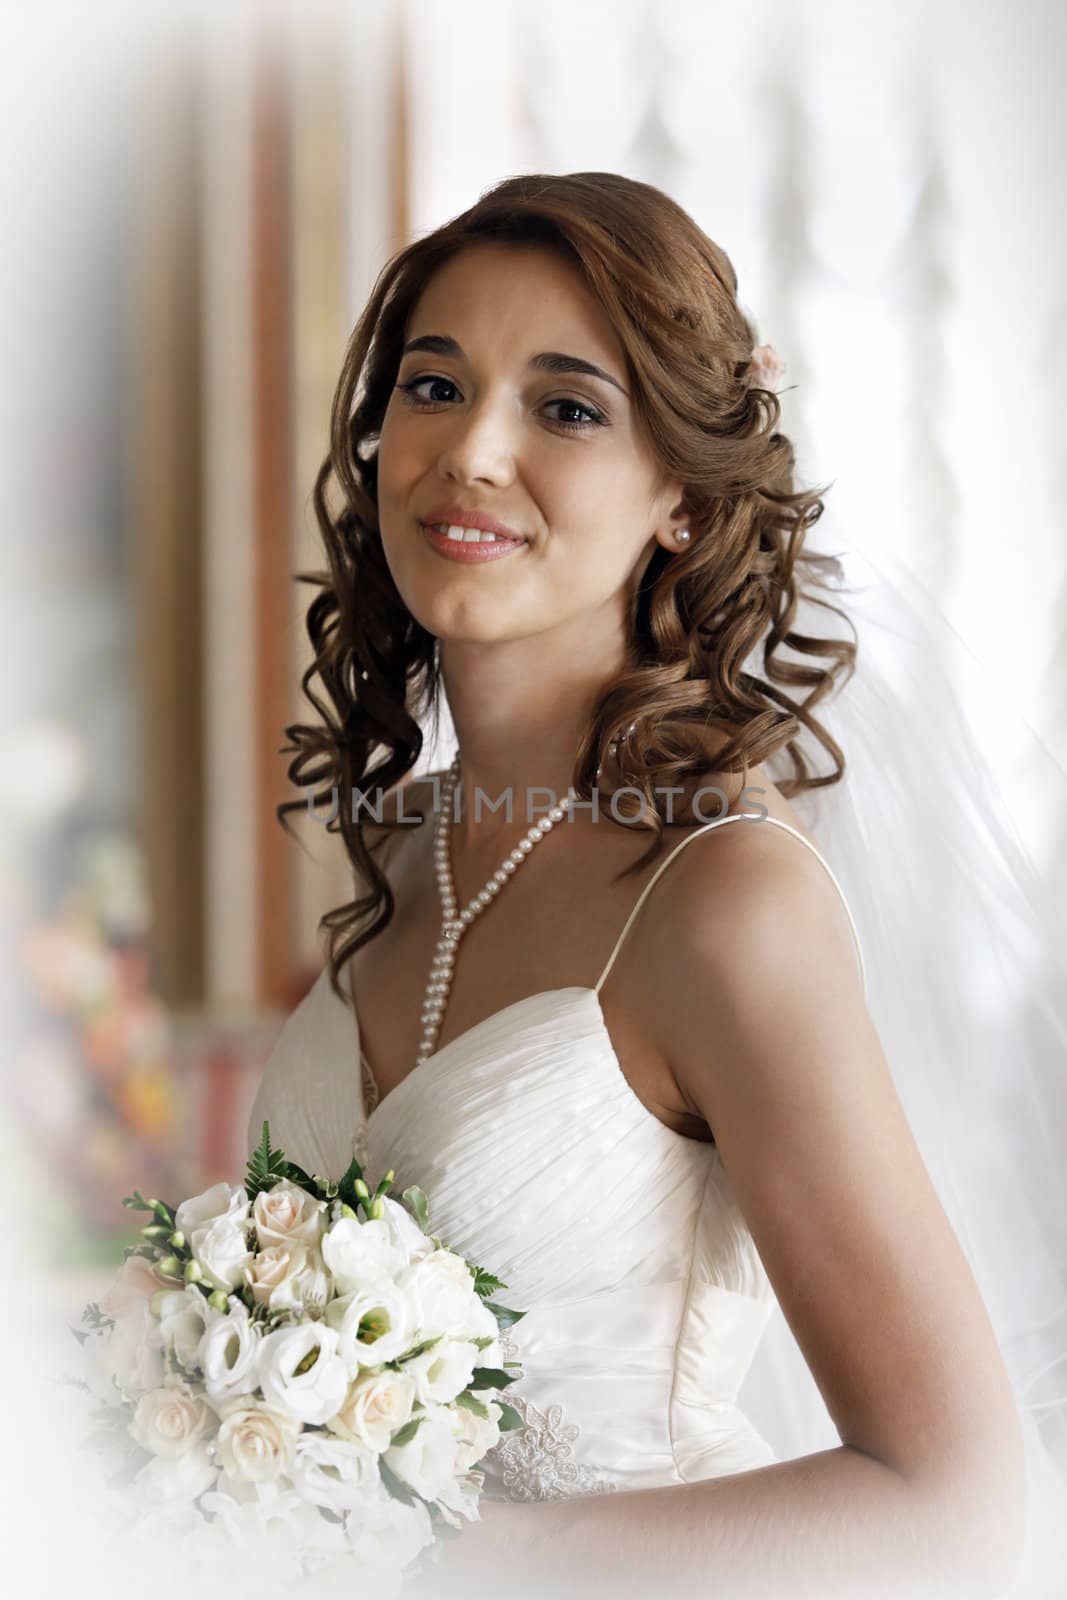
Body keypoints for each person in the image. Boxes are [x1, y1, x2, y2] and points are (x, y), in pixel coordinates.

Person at [247, 173, 1065, 1598]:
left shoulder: (724, 905)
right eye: (435, 387)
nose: (472, 453)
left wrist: (444, 1554)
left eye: (564, 408)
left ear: (681, 494)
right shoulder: (399, 851)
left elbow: (962, 1508)